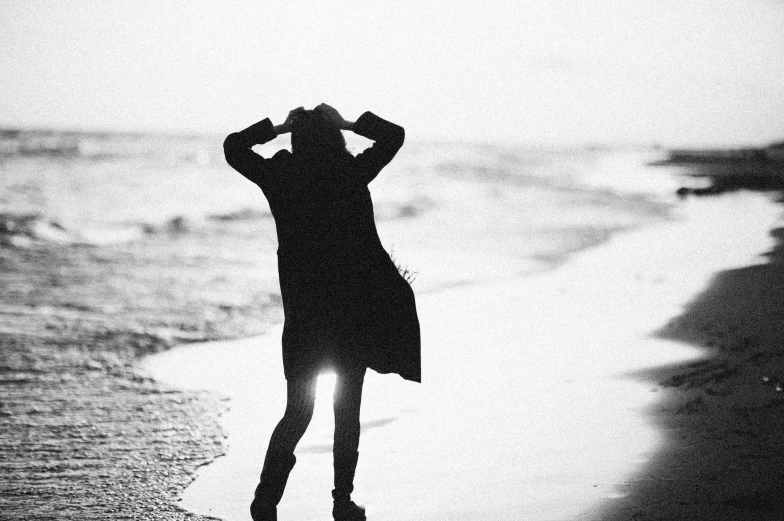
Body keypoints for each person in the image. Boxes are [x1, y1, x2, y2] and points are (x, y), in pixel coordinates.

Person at [223, 104, 421, 521]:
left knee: (297, 412)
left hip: (304, 319)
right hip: (350, 315)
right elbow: (395, 135)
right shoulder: (350, 173)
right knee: (346, 412)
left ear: (296, 139)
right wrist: (350, 123)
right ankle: (341, 501)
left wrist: (275, 129)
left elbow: (234, 148)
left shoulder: (281, 178)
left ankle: (265, 502)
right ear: (335, 138)